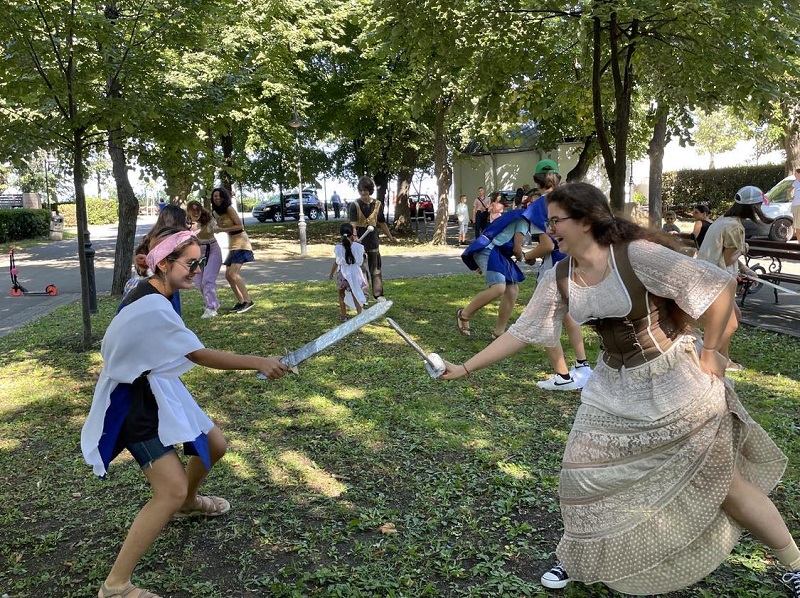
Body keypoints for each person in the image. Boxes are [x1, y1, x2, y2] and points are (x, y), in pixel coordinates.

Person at [440, 182, 800, 598]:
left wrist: (713, 351)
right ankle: (577, 556)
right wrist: (465, 368)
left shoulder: (636, 256)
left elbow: (719, 289)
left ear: (586, 220)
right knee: (580, 477)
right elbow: (523, 331)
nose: (549, 229)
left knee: (725, 485)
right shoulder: (559, 274)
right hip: (612, 385)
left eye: (556, 221)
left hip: (674, 383)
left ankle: (794, 562)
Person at [81, 229, 289, 598]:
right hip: (132, 402)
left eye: (201, 262)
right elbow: (200, 355)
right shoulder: (153, 305)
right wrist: (258, 361)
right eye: (190, 263)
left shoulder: (156, 292)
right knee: (168, 490)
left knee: (215, 444)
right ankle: (115, 586)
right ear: (163, 264)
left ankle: (190, 503)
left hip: (157, 387)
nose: (197, 270)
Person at [522, 159, 591, 390]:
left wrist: (527, 256)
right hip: (578, 262)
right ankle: (582, 365)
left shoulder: (538, 207)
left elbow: (547, 246)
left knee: (546, 318)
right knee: (569, 313)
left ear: (536, 181)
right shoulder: (570, 199)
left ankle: (562, 376)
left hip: (555, 267)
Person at [697, 186, 770, 367]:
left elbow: (723, 254)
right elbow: (730, 258)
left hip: (710, 276)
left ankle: (725, 359)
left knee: (734, 317)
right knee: (730, 324)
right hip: (718, 281)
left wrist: (746, 270)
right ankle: (708, 359)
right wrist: (744, 247)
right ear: (753, 207)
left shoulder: (723, 220)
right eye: (759, 205)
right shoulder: (734, 227)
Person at [457, 205, 532, 340]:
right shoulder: (524, 220)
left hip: (498, 253)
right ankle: (464, 314)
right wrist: (525, 258)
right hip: (489, 250)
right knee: (498, 288)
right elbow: (516, 249)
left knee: (512, 290)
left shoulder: (521, 215)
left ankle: (499, 333)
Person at [130, 204, 188, 315]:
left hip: (143, 286)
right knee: (170, 318)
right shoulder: (173, 241)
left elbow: (140, 268)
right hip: (162, 284)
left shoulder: (149, 237)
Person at [348, 175, 396, 300]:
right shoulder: (354, 205)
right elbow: (352, 224)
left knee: (375, 269)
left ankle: (378, 295)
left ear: (370, 190)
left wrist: (390, 237)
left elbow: (382, 223)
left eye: (366, 190)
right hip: (360, 241)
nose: (363, 192)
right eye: (361, 190)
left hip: (373, 240)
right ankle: (364, 296)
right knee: (362, 270)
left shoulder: (377, 204)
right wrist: (355, 237)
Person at [211, 187, 255, 313]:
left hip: (241, 242)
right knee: (227, 275)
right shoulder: (215, 212)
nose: (217, 198)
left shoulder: (229, 208)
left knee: (233, 274)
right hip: (232, 244)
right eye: (215, 196)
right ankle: (241, 301)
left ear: (224, 197)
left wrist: (221, 229)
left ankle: (248, 301)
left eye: (219, 196)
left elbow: (240, 225)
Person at [186, 200, 221, 318]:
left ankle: (211, 308)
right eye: (193, 210)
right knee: (199, 282)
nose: (196, 213)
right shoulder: (187, 223)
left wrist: (217, 227)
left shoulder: (208, 219)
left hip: (212, 249)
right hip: (196, 252)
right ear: (189, 212)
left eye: (198, 210)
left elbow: (215, 226)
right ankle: (212, 303)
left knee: (208, 279)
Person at [329, 223, 368, 320]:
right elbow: (363, 257)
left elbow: (336, 262)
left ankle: (344, 315)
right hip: (355, 273)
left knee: (341, 294)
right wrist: (357, 244)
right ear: (352, 233)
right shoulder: (359, 247)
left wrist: (331, 274)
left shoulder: (338, 248)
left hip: (343, 274)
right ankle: (359, 314)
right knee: (355, 292)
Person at [790, 168, 800, 240]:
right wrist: (790, 196)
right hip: (795, 206)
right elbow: (789, 190)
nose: (794, 175)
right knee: (797, 226)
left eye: (796, 173)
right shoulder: (796, 182)